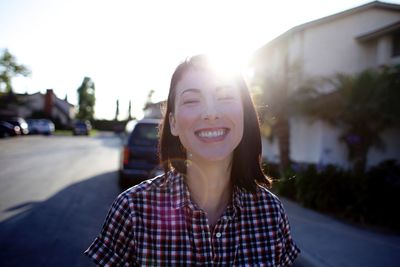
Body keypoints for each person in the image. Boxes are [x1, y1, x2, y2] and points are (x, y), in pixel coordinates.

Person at [84, 55, 300, 266]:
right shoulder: (132, 210)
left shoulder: (271, 212)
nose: (210, 113)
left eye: (225, 96)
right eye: (192, 100)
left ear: (244, 113)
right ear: (173, 123)